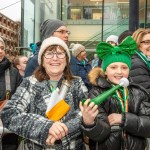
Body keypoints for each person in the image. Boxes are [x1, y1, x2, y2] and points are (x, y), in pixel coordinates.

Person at [1, 36, 88, 149]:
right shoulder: (29, 83)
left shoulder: (77, 83)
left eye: (60, 53)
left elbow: (84, 113)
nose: (55, 58)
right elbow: (9, 114)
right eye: (49, 53)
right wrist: (46, 128)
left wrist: (63, 129)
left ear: (67, 60)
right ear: (42, 60)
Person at [80, 36, 150, 150]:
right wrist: (90, 122)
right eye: (113, 67)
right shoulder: (96, 93)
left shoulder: (139, 93)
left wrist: (123, 119)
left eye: (124, 67)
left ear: (129, 70)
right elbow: (100, 135)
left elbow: (148, 127)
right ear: (105, 71)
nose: (119, 72)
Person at [0, 36, 22, 150]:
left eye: (2, 48)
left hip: (8, 133)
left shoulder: (14, 73)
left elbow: (22, 99)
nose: (0, 51)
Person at [129, 28, 150, 95]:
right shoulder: (137, 64)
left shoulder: (145, 60)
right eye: (147, 42)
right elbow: (146, 92)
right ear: (137, 44)